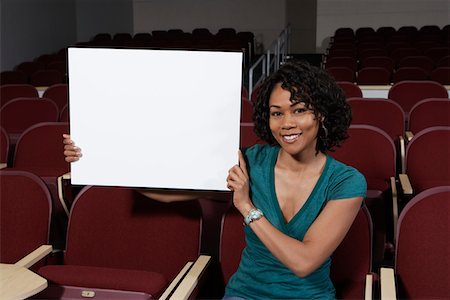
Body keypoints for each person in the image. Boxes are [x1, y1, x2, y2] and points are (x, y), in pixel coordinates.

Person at [63, 60, 366, 299]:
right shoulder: (250, 162)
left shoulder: (346, 182)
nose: (287, 123)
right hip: (244, 294)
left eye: (299, 111)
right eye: (276, 113)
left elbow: (304, 262)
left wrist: (246, 206)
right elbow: (169, 193)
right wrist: (99, 158)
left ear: (322, 115)